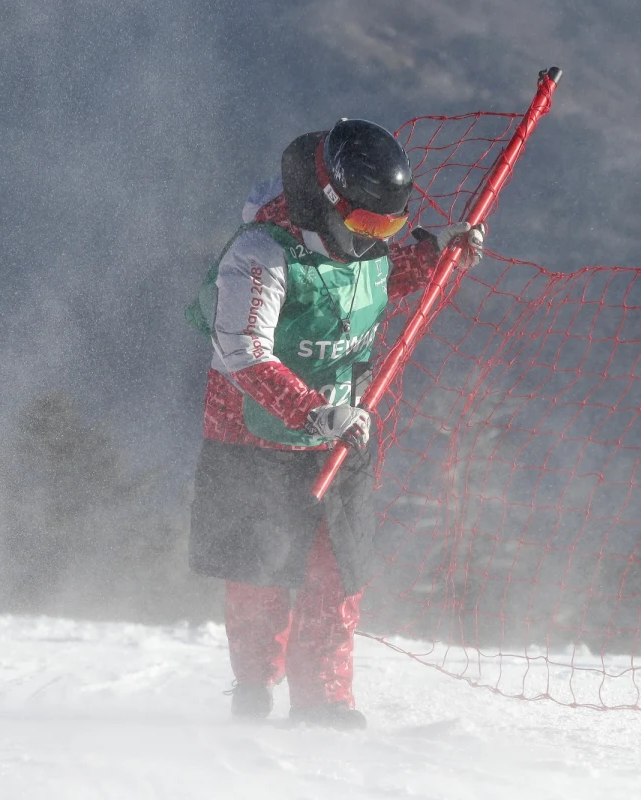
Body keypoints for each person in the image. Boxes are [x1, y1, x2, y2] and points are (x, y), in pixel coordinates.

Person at [186, 118, 484, 730]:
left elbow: (370, 280)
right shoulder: (261, 253)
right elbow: (244, 349)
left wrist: (435, 255)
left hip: (341, 438)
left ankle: (324, 701)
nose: (375, 237)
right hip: (255, 436)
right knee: (262, 572)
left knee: (337, 573)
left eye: (389, 225)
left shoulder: (365, 247)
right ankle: (254, 683)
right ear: (326, 204)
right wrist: (313, 411)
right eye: (366, 224)